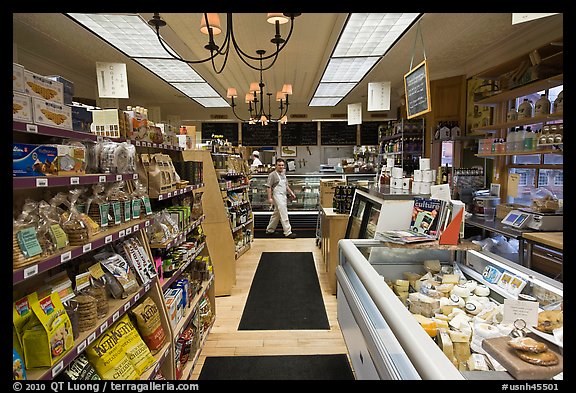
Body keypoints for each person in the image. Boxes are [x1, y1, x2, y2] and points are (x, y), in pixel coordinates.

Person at [265, 158, 297, 238]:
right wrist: (269, 198)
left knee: (277, 213)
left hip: (283, 195)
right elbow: (268, 187)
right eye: (279, 165)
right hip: (277, 195)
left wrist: (291, 193)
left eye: (282, 165)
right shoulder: (272, 175)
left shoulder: (283, 174)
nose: (281, 167)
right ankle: (288, 232)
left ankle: (270, 230)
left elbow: (286, 185)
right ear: (276, 165)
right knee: (283, 212)